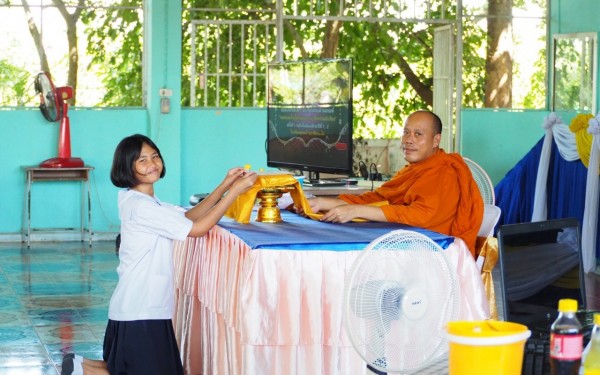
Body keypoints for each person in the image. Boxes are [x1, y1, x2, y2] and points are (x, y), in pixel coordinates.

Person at [61, 134, 257, 375]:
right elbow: (197, 229)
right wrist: (236, 191)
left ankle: (79, 366)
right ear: (127, 167)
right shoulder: (142, 207)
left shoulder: (145, 200)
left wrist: (225, 184)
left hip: (144, 307)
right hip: (140, 310)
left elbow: (188, 217)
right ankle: (81, 371)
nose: (152, 163)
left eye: (154, 156)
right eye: (142, 160)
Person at [300, 110, 484, 256]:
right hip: (406, 243)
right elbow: (379, 198)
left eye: (418, 134)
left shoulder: (445, 171)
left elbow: (421, 216)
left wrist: (355, 210)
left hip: (432, 255)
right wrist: (324, 203)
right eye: (406, 132)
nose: (408, 140)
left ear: (436, 140)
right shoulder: (414, 169)